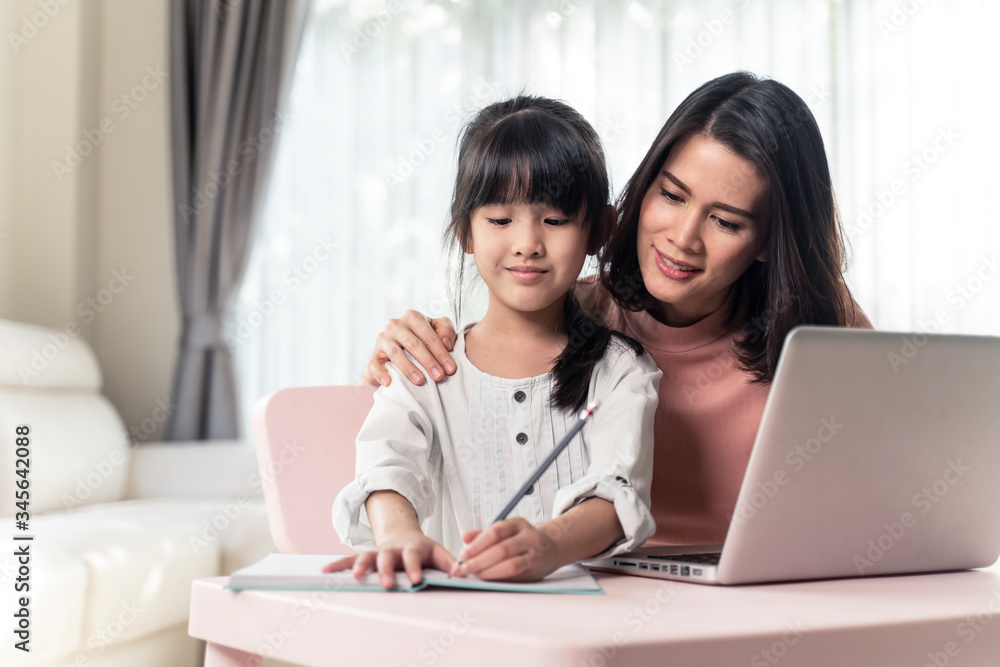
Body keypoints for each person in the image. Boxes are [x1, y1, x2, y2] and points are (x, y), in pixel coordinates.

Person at [360, 72, 873, 547]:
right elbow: (415, 432)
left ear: (768, 240)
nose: (682, 238)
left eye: (725, 221)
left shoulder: (820, 326)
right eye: (671, 195)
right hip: (610, 597)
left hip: (768, 597)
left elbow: (890, 480)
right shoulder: (578, 313)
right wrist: (404, 347)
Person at [325, 95, 662, 588]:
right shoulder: (427, 364)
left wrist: (548, 545)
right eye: (500, 220)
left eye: (555, 220)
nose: (527, 242)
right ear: (465, 230)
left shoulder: (621, 371)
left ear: (600, 230)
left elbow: (617, 493)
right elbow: (387, 464)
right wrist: (398, 534)